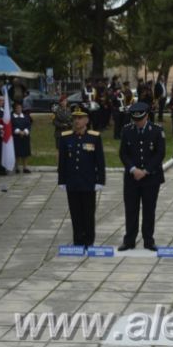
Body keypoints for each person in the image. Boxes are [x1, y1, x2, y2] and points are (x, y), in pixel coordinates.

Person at [117, 102, 165, 251]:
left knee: (149, 210)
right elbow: (123, 153)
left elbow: (160, 154)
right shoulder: (127, 131)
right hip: (132, 177)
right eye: (135, 120)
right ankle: (129, 240)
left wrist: (145, 171)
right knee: (131, 209)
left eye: (140, 120)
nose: (137, 123)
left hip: (151, 177)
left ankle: (148, 240)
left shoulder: (157, 131)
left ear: (147, 116)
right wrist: (133, 169)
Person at [57, 106, 106, 247]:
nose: (77, 121)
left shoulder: (94, 137)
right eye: (75, 118)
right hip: (72, 182)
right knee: (75, 213)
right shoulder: (66, 137)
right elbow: (62, 161)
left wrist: (100, 180)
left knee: (88, 213)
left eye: (80, 118)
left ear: (86, 120)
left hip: (88, 181)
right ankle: (78, 240)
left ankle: (89, 240)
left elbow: (100, 161)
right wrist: (62, 180)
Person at [12, 102, 32, 173]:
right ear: (14, 109)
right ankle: (17, 167)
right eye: (17, 108)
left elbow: (29, 125)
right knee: (17, 153)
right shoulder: (12, 117)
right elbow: (12, 126)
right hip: (16, 137)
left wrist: (25, 131)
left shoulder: (25, 116)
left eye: (20, 108)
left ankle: (25, 167)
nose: (19, 109)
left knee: (25, 153)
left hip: (25, 136)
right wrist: (19, 132)